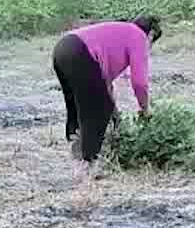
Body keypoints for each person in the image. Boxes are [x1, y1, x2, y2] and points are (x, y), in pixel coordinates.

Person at [52, 15, 162, 170]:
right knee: (98, 110)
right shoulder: (139, 36)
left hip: (63, 47)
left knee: (77, 104)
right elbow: (139, 83)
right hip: (79, 52)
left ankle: (76, 146)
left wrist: (114, 112)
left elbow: (103, 82)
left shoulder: (120, 32)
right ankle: (88, 164)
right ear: (151, 34)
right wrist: (144, 109)